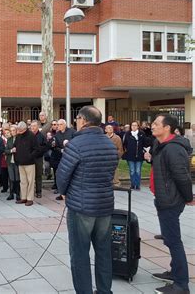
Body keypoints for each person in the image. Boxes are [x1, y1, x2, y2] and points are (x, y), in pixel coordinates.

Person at [57, 106, 119, 294]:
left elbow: (62, 176)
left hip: (81, 206)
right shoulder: (109, 143)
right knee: (103, 252)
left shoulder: (76, 144)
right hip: (105, 205)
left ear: (83, 120)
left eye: (77, 118)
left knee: (80, 253)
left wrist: (65, 192)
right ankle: (104, 290)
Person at [145, 114, 193, 294]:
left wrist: (188, 197)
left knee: (173, 241)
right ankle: (175, 273)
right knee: (170, 239)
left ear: (167, 128)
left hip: (170, 200)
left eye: (156, 124)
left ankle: (181, 285)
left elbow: (182, 177)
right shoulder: (161, 145)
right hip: (164, 197)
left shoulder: (173, 149)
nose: (152, 126)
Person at [14, 121, 42, 206]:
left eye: (21, 130)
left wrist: (30, 156)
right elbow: (15, 146)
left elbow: (37, 149)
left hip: (30, 163)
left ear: (25, 129)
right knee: (23, 181)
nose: (19, 132)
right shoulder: (18, 136)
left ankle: (30, 199)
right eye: (19, 130)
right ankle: (24, 197)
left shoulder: (31, 136)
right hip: (20, 162)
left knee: (30, 181)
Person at [53, 119, 75, 201]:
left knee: (71, 175)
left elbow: (76, 142)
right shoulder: (57, 135)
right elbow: (55, 147)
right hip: (61, 158)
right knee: (62, 176)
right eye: (58, 125)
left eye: (60, 124)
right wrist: (61, 150)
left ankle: (71, 194)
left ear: (65, 125)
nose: (58, 126)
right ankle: (62, 194)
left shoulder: (72, 132)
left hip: (72, 157)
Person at [122, 121, 146, 190]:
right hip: (130, 155)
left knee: (138, 171)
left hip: (139, 155)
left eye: (135, 125)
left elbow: (144, 143)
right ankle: (133, 184)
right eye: (132, 125)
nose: (134, 127)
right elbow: (124, 144)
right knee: (132, 170)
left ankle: (137, 185)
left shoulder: (141, 134)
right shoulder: (127, 134)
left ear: (138, 126)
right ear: (130, 126)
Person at [30, 120, 48, 198]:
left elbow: (45, 147)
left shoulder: (41, 136)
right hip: (29, 158)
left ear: (38, 127)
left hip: (38, 158)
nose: (32, 127)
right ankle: (30, 192)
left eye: (34, 126)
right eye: (31, 126)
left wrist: (38, 151)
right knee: (30, 176)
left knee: (38, 175)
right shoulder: (28, 135)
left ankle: (38, 191)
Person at [4, 125, 20, 201]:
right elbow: (6, 150)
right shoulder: (9, 139)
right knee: (11, 178)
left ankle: (17, 194)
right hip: (10, 161)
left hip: (17, 161)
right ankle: (11, 194)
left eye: (14, 130)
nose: (13, 132)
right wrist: (11, 151)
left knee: (17, 178)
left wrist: (17, 150)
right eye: (11, 131)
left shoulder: (20, 139)